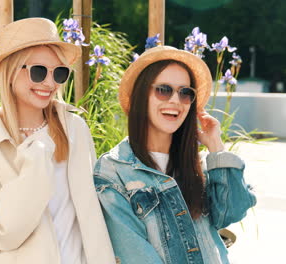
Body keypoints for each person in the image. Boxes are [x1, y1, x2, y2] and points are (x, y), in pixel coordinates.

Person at [0, 18, 115, 264]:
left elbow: (92, 215)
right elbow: (6, 233)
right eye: (38, 71)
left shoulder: (75, 129)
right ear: (10, 72)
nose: (50, 83)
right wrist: (36, 159)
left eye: (59, 73)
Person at [94, 46, 256, 264]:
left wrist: (216, 147)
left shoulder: (197, 164)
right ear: (141, 96)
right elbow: (136, 256)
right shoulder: (114, 170)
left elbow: (232, 212)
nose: (175, 100)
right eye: (163, 90)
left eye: (185, 93)